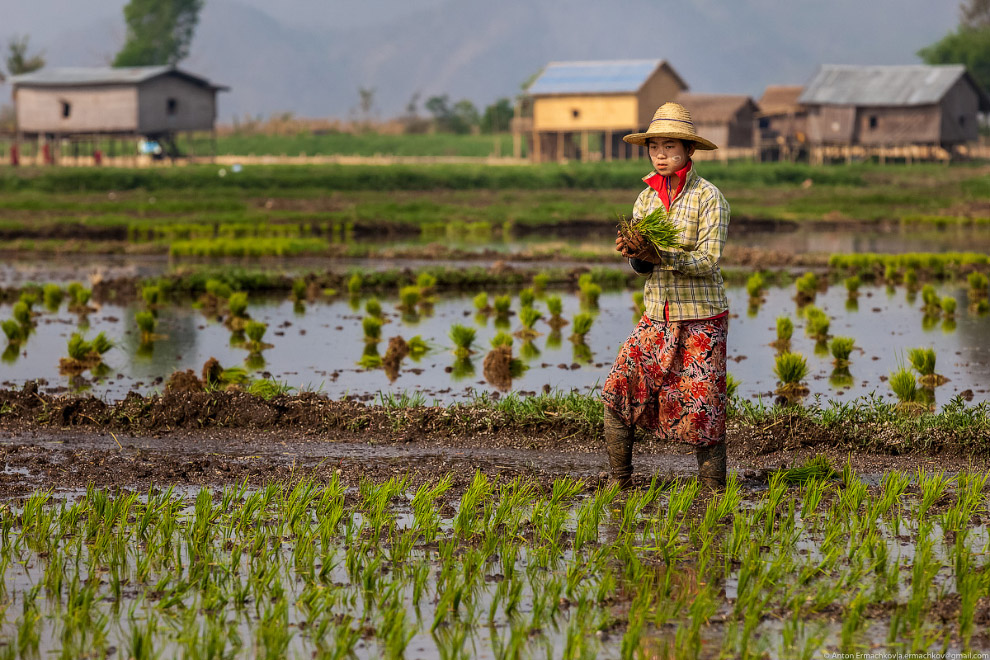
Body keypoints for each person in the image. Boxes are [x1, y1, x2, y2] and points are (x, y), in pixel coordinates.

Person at [601, 102, 730, 489]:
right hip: (657, 316)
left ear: (689, 150)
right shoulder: (645, 200)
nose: (660, 154)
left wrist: (663, 254)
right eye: (654, 146)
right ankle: (619, 481)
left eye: (670, 146)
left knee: (704, 408)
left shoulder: (710, 198)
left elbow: (708, 259)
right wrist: (638, 256)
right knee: (617, 391)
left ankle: (713, 493)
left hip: (701, 319)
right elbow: (643, 268)